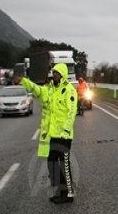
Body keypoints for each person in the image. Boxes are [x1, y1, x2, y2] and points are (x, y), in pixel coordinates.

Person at [15, 63, 78, 203]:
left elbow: (72, 112)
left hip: (64, 135)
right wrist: (24, 81)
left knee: (64, 164)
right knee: (51, 163)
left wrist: (66, 129)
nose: (54, 75)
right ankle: (59, 190)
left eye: (57, 73)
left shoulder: (69, 90)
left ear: (62, 74)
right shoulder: (49, 90)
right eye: (53, 72)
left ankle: (68, 193)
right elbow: (36, 90)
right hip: (53, 134)